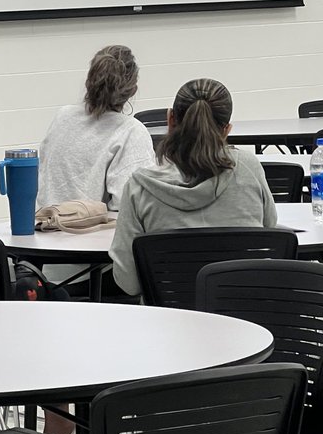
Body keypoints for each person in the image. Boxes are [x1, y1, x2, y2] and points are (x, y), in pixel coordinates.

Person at [109, 77, 276, 296]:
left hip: (169, 324)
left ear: (170, 119)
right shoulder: (249, 168)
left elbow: (128, 283)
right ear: (226, 130)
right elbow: (270, 235)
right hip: (245, 319)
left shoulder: (140, 187)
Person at [37, 44, 154, 209]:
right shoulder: (131, 130)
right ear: (132, 90)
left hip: (44, 226)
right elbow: (130, 205)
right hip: (91, 232)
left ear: (88, 82)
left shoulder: (63, 117)